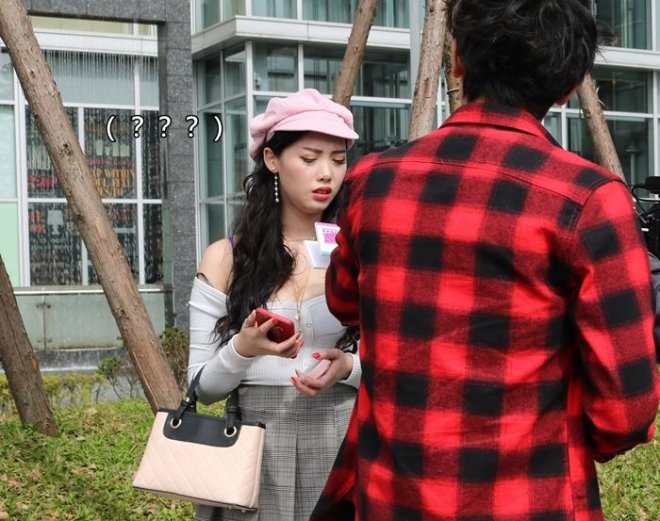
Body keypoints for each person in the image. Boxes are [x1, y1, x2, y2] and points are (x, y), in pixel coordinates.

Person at [312, 1, 660, 520]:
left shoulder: (372, 181)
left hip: (391, 497)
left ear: (456, 59)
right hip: (530, 501)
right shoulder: (588, 201)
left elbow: (343, 302)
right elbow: (625, 411)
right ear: (568, 86)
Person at [188, 88, 362, 521]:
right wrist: (243, 348)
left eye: (338, 159)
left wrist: (348, 367)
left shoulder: (359, 253)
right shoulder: (226, 258)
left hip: (343, 440)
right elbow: (201, 388)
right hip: (254, 445)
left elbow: (394, 363)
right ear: (271, 159)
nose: (327, 173)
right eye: (310, 158)